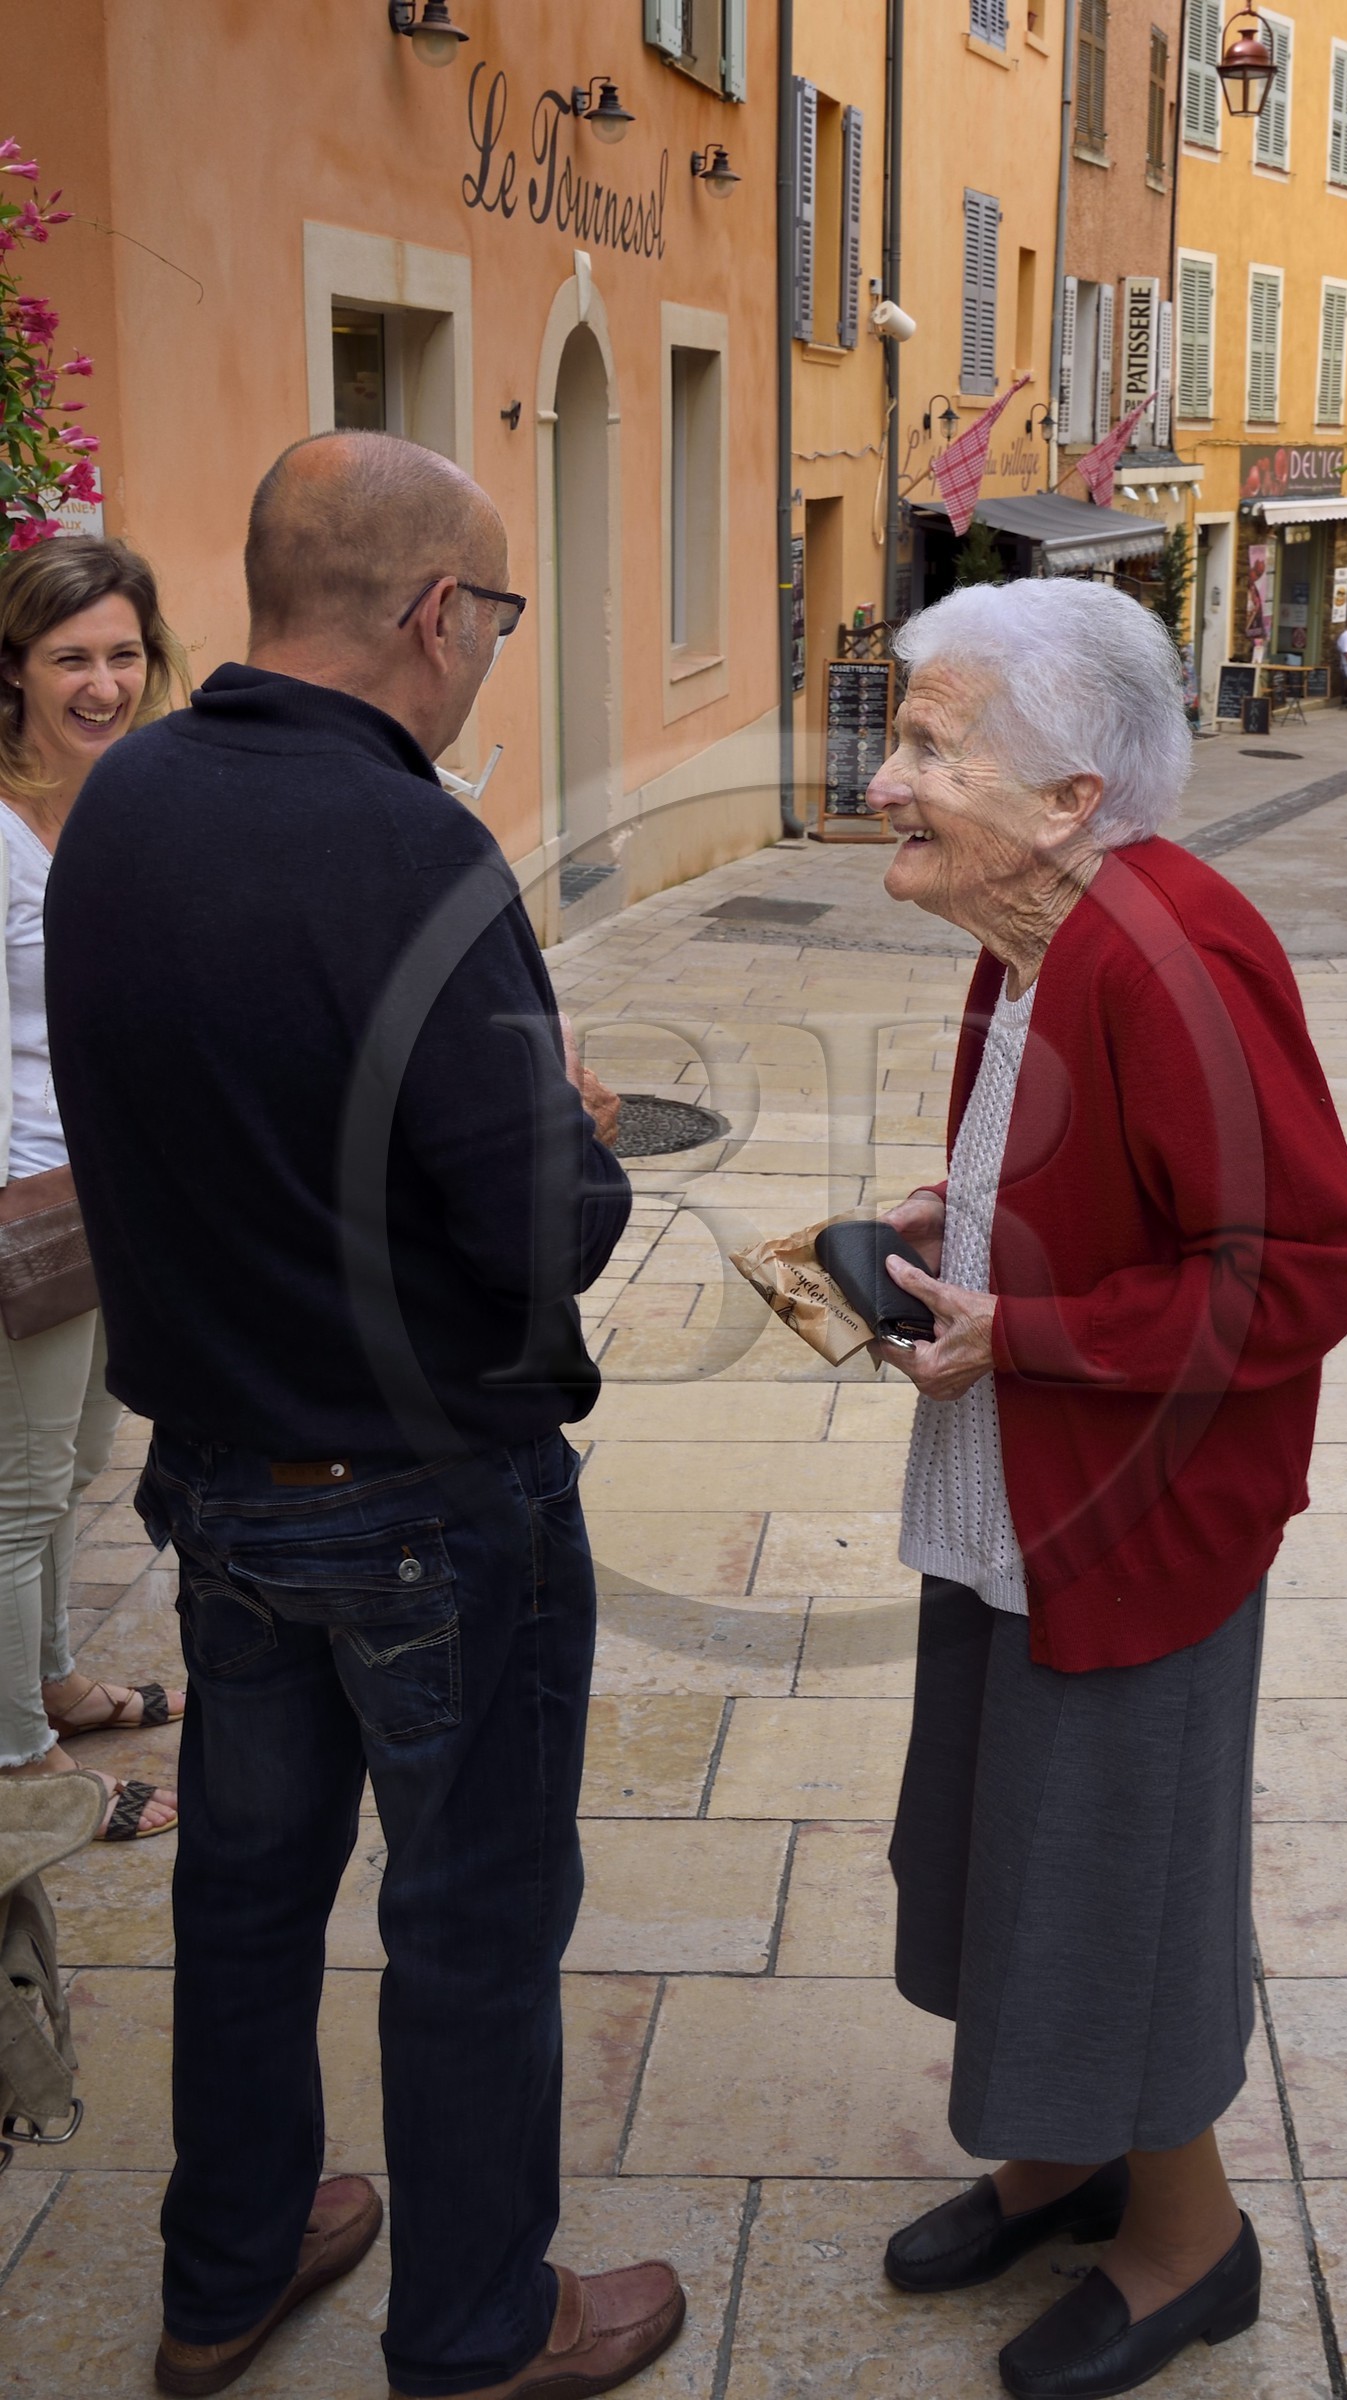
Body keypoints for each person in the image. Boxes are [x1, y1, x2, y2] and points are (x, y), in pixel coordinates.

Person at [45, 434, 685, 2400]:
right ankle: (482, 2329)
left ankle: (223, 2272)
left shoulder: (122, 802)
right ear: (432, 614)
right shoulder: (414, 847)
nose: (488, 654)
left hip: (218, 1487)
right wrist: (574, 1141)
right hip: (425, 1498)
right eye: (489, 616)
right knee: (470, 1916)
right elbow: (542, 1229)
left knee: (244, 1889)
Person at [861, 579, 1347, 2399]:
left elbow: (1306, 1267)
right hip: (1024, 1488)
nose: (880, 779)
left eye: (928, 743)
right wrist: (958, 1221)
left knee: (1113, 1884)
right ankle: (1060, 2164)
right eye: (898, 729)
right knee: (1012, 1845)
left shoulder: (1179, 943)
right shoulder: (1035, 935)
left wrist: (1028, 1328)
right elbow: (1099, 1175)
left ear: (1071, 794)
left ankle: (1189, 2246)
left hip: (1133, 1520)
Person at [0, 536, 189, 1842]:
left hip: (110, 1183)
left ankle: (52, 1678)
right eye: (72, 658)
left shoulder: (124, 801)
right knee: (15, 1490)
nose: (103, 683)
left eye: (124, 654)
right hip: (19, 1199)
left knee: (72, 1468)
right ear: (15, 671)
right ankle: (20, 1771)